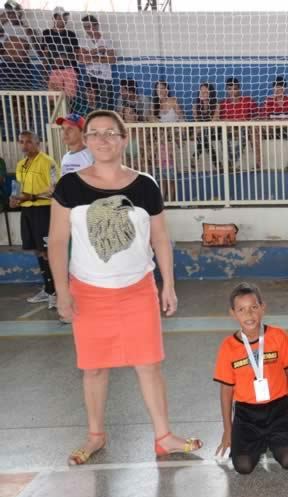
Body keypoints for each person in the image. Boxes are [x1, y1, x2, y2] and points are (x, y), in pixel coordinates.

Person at [48, 110, 203, 465]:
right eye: (94, 133)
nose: (102, 139)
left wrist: (168, 285)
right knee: (94, 368)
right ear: (85, 140)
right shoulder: (69, 187)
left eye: (110, 132)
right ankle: (95, 436)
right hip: (88, 291)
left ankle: (164, 437)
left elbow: (160, 238)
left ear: (123, 138)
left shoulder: (145, 185)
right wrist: (62, 291)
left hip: (137, 289)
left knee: (149, 364)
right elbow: (57, 242)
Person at [213, 282, 288, 474]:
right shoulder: (228, 347)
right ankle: (260, 442)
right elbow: (226, 390)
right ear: (233, 314)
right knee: (243, 467)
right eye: (242, 310)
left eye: (253, 307)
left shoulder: (279, 336)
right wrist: (228, 429)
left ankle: (272, 441)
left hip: (279, 410)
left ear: (262, 307)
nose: (249, 314)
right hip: (247, 415)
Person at [10, 131, 58, 309]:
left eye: (28, 142)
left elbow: (55, 189)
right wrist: (14, 199)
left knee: (47, 252)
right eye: (21, 142)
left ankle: (55, 292)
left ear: (38, 143)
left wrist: (33, 196)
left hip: (44, 210)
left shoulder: (48, 162)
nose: (24, 145)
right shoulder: (21, 164)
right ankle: (48, 289)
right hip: (27, 211)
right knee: (37, 251)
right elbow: (18, 190)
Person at [215, 77, 259, 169]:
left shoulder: (248, 101)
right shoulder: (223, 104)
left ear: (239, 89)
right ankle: (230, 161)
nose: (232, 91)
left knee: (244, 132)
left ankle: (237, 160)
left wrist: (247, 122)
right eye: (229, 89)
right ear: (226, 90)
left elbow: (257, 117)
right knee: (223, 134)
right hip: (229, 129)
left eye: (235, 89)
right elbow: (219, 121)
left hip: (244, 128)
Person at [260, 76, 288, 168]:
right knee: (255, 129)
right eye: (276, 88)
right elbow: (264, 119)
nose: (278, 90)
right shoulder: (268, 101)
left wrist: (277, 123)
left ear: (285, 89)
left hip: (285, 130)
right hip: (271, 130)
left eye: (280, 88)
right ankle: (259, 162)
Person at [78, 15, 116, 110]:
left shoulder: (106, 40)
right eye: (85, 27)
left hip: (105, 77)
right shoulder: (83, 41)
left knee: (105, 106)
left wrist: (89, 56)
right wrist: (96, 51)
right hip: (90, 77)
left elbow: (112, 60)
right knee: (91, 106)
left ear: (96, 26)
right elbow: (82, 60)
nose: (87, 29)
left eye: (89, 26)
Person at [192, 82, 219, 165]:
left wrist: (201, 128)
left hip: (213, 130)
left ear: (211, 93)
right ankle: (216, 162)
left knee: (203, 135)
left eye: (206, 92)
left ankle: (195, 156)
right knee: (202, 137)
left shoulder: (216, 105)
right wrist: (199, 129)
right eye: (202, 91)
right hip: (200, 132)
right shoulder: (195, 106)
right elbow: (196, 123)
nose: (203, 93)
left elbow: (213, 122)